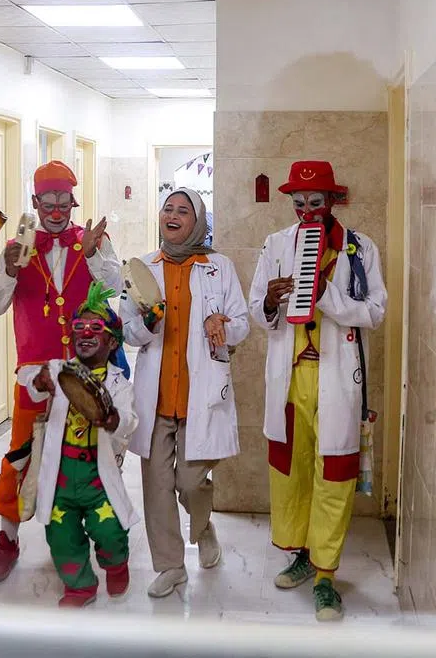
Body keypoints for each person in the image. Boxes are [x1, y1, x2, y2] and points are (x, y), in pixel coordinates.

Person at [247, 160, 387, 622]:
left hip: (336, 378)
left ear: (332, 201)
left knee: (335, 472)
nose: (307, 210)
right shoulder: (275, 245)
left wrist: (326, 294)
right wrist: (269, 300)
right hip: (289, 380)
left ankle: (326, 574)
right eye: (299, 202)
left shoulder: (359, 248)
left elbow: (375, 312)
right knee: (292, 471)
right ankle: (302, 554)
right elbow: (255, 311)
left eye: (316, 202)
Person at [0, 160, 123, 582]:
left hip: (87, 374)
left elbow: (116, 288)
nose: (57, 210)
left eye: (65, 202)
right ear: (35, 202)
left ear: (73, 202)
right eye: (49, 202)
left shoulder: (95, 240)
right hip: (35, 377)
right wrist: (8, 270)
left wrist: (95, 255)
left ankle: (87, 541)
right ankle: (6, 537)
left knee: (87, 461)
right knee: (19, 457)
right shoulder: (17, 247)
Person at [119, 188, 249, 598]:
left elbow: (241, 324)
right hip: (156, 397)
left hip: (200, 395)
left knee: (190, 483)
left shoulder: (219, 267)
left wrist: (222, 326)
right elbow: (128, 330)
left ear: (197, 221)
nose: (172, 216)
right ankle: (171, 566)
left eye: (183, 211)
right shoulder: (142, 269)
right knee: (157, 487)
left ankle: (203, 523)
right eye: (167, 209)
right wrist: (147, 324)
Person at [18, 282, 139, 608]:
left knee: (110, 530)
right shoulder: (60, 370)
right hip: (60, 475)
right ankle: (80, 586)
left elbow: (128, 419)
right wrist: (39, 380)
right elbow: (27, 380)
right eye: (79, 327)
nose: (85, 333)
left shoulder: (118, 383)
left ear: (112, 341)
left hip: (97, 478)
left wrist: (113, 420)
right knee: (61, 536)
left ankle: (116, 562)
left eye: (95, 328)